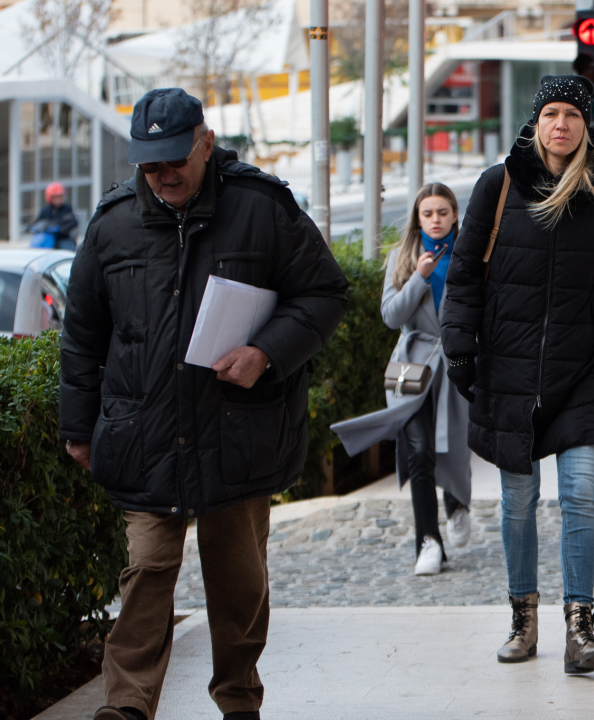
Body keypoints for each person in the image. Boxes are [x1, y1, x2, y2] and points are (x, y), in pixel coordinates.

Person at [59, 88, 348, 720]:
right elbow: (82, 334)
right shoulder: (111, 226)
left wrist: (265, 353)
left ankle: (239, 700)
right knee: (146, 571)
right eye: (149, 163)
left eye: (173, 159)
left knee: (238, 583)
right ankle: (127, 708)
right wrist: (77, 428)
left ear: (204, 142)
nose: (163, 175)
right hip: (145, 437)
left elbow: (324, 294)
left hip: (238, 434)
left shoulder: (262, 207)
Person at [441, 75, 594, 673]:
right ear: (536, 121)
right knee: (519, 501)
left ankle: (581, 628)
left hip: (581, 370)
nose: (561, 124)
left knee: (579, 497)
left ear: (588, 126)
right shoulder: (497, 185)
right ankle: (522, 619)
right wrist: (460, 347)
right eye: (551, 114)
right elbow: (463, 275)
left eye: (572, 115)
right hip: (507, 369)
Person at [382, 183, 473, 576]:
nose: (435, 220)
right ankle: (428, 541)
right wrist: (418, 278)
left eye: (442, 212)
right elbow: (391, 316)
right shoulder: (402, 258)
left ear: (455, 215)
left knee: (454, 445)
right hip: (411, 366)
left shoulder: (471, 257)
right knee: (417, 451)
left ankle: (456, 502)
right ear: (417, 219)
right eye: (427, 214)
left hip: (456, 363)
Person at [29, 182, 79, 249]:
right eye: (56, 197)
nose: (59, 199)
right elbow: (38, 222)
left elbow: (73, 222)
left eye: (60, 196)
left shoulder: (67, 209)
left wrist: (60, 229)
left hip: (63, 239)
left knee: (66, 249)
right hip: (48, 238)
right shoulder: (45, 210)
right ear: (50, 197)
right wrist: (33, 228)